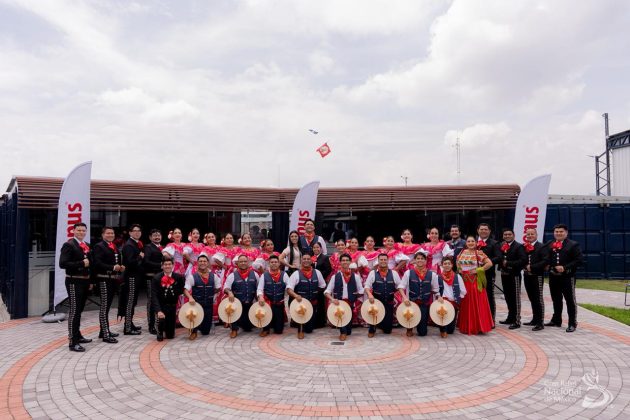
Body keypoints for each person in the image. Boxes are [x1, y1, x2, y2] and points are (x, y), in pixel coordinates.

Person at [60, 223, 93, 352]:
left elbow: (90, 264)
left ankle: (78, 335)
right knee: (74, 311)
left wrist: (90, 281)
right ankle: (73, 341)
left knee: (79, 311)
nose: (81, 232)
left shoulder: (86, 245)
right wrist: (81, 263)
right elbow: (62, 264)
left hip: (84, 281)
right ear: (73, 231)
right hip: (73, 281)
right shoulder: (69, 245)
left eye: (83, 230)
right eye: (78, 230)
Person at [545, 224, 583, 333]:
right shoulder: (549, 243)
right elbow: (546, 257)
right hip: (553, 277)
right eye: (556, 231)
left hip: (567, 277)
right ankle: (556, 320)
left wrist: (565, 267)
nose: (558, 233)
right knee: (556, 299)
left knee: (570, 300)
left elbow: (579, 260)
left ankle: (572, 323)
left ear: (566, 233)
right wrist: (546, 265)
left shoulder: (573, 245)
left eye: (561, 231)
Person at [456, 236, 495, 335]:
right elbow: (457, 262)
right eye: (468, 241)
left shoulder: (479, 253)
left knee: (476, 303)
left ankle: (477, 326)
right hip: (464, 282)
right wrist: (460, 270)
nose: (470, 243)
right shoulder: (462, 252)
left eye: (472, 241)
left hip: (475, 282)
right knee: (466, 303)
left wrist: (477, 270)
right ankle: (466, 326)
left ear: (476, 242)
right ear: (466, 243)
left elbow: (489, 263)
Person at [92, 226, 124, 343]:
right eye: (108, 233)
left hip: (112, 279)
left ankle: (103, 331)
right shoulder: (99, 246)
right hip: (104, 279)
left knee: (107, 307)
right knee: (104, 307)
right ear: (102, 235)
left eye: (112, 233)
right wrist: (112, 267)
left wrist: (120, 267)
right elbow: (97, 263)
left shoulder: (113, 246)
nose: (110, 235)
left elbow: (115, 261)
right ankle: (105, 334)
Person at [398, 252, 441, 337]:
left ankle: (420, 326)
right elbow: (401, 287)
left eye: (422, 259)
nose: (420, 260)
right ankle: (409, 328)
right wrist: (405, 298)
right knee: (409, 318)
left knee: (422, 333)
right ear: (415, 260)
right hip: (411, 303)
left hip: (424, 303)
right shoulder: (408, 273)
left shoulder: (432, 274)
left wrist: (439, 296)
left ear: (425, 261)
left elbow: (436, 289)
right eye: (418, 258)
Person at [324, 254, 364, 341]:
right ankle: (342, 333)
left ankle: (346, 331)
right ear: (340, 262)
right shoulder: (335, 277)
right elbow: (327, 291)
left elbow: (361, 290)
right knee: (343, 324)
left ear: (350, 262)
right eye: (343, 260)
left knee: (349, 330)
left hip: (350, 304)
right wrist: (332, 299)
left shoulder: (356, 277)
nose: (345, 262)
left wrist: (355, 295)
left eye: (347, 260)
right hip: (339, 304)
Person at [286, 252, 326, 338]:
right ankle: (300, 329)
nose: (306, 260)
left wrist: (315, 293)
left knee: (309, 329)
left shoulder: (317, 273)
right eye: (304, 259)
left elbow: (323, 286)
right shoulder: (296, 274)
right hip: (300, 304)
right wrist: (296, 296)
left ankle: (303, 324)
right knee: (302, 321)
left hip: (312, 303)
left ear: (311, 261)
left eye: (308, 259)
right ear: (301, 261)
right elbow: (289, 289)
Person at [183, 255, 221, 339]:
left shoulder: (214, 276)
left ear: (207, 263)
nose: (202, 263)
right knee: (195, 321)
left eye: (204, 261)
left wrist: (212, 292)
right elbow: (185, 290)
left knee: (205, 332)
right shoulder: (192, 277)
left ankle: (201, 327)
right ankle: (193, 330)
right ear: (197, 263)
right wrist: (190, 297)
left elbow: (218, 287)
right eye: (200, 261)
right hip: (196, 305)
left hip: (208, 305)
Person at [364, 253, 402, 337]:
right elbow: (367, 286)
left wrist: (404, 297)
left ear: (388, 261)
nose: (383, 261)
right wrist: (369, 294)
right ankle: (373, 327)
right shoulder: (373, 273)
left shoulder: (394, 273)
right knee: (374, 316)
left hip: (389, 303)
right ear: (378, 261)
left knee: (387, 330)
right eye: (381, 259)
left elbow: (400, 286)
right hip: (376, 303)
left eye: (385, 259)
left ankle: (381, 324)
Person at [223, 254, 261, 338]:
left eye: (245, 261)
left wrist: (259, 300)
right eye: (241, 262)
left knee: (248, 328)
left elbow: (259, 289)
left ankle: (243, 323)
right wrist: (229, 292)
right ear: (237, 263)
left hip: (250, 304)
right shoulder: (232, 275)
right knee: (232, 310)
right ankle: (234, 329)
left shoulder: (255, 275)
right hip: (237, 306)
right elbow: (225, 288)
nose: (243, 263)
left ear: (248, 263)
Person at [497, 228, 527, 330]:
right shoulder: (501, 245)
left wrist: (508, 263)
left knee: (515, 298)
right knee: (508, 297)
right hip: (504, 275)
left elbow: (523, 260)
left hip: (514, 275)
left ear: (513, 235)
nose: (507, 236)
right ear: (503, 236)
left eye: (509, 234)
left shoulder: (519, 246)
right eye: (505, 234)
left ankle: (517, 320)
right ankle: (510, 317)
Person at [151, 258, 185, 341]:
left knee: (170, 336)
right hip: (161, 306)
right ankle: (159, 330)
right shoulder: (156, 278)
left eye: (169, 264)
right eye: (165, 264)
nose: (167, 266)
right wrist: (158, 310)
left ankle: (168, 330)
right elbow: (154, 296)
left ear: (173, 265)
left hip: (172, 306)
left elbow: (181, 290)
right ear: (162, 266)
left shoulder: (178, 277)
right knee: (160, 335)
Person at [119, 223, 144, 335]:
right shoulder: (129, 245)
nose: (137, 233)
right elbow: (130, 262)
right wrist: (140, 257)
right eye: (135, 231)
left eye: (139, 231)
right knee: (130, 302)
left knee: (133, 302)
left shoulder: (136, 243)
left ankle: (130, 323)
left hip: (135, 276)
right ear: (130, 233)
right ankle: (128, 328)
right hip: (131, 277)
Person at [523, 228, 548, 331]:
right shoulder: (524, 246)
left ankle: (540, 322)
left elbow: (545, 261)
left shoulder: (542, 246)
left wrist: (532, 267)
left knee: (538, 299)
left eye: (532, 234)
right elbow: (522, 259)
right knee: (531, 298)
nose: (530, 236)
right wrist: (524, 266)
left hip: (537, 276)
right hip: (527, 276)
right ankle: (534, 319)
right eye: (528, 234)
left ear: (536, 235)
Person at [256, 255, 289, 336]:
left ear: (279, 264)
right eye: (272, 262)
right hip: (267, 304)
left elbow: (289, 287)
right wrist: (260, 297)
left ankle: (274, 323)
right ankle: (266, 329)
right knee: (266, 321)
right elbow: (259, 289)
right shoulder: (264, 275)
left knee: (279, 331)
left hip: (279, 304)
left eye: (275, 262)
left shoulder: (284, 274)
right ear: (269, 264)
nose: (274, 263)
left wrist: (288, 293)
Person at [476, 223, 501, 323]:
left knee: (489, 297)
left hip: (488, 275)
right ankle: (478, 319)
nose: (483, 231)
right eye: (481, 229)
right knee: (475, 297)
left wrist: (486, 262)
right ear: (478, 230)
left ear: (489, 231)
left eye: (486, 229)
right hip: (473, 275)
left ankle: (491, 320)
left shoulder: (494, 243)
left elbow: (498, 257)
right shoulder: (472, 242)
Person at [437, 256, 466, 338]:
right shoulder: (438, 277)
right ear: (442, 265)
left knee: (450, 330)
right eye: (445, 264)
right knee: (443, 319)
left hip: (454, 303)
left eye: (449, 264)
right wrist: (439, 296)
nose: (447, 265)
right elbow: (435, 289)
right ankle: (443, 330)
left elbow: (463, 291)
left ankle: (446, 329)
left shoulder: (457, 277)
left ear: (452, 265)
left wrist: (457, 298)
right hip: (443, 302)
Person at [143, 229, 163, 334]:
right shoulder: (148, 247)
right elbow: (146, 262)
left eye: (159, 235)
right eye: (154, 235)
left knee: (160, 300)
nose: (157, 237)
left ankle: (159, 323)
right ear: (150, 237)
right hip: (151, 277)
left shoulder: (163, 247)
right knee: (151, 301)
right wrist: (160, 265)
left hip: (162, 278)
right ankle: (151, 326)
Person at [312, 242, 332, 328]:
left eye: (317, 247)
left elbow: (328, 269)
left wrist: (318, 275)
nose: (316, 249)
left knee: (321, 301)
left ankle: (321, 321)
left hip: (321, 282)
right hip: (312, 283)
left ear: (321, 248)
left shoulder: (325, 257)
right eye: (314, 247)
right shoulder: (311, 257)